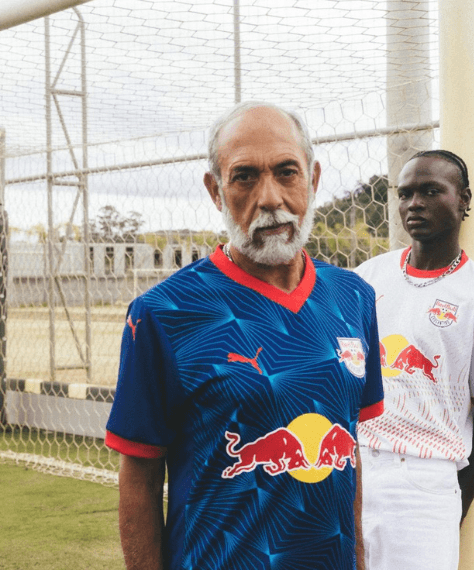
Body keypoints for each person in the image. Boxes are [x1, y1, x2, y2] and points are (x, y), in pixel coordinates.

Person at [105, 102, 384, 570]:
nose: (270, 197)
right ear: (215, 190)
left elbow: (346, 448)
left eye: (286, 172)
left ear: (312, 180)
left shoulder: (354, 297)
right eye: (245, 177)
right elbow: (140, 477)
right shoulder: (162, 314)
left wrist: (357, 557)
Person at [354, 150, 474, 570]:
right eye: (405, 194)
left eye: (430, 191)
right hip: (354, 469)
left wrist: (452, 500)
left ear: (464, 200)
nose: (414, 204)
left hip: (424, 485)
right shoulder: (368, 278)